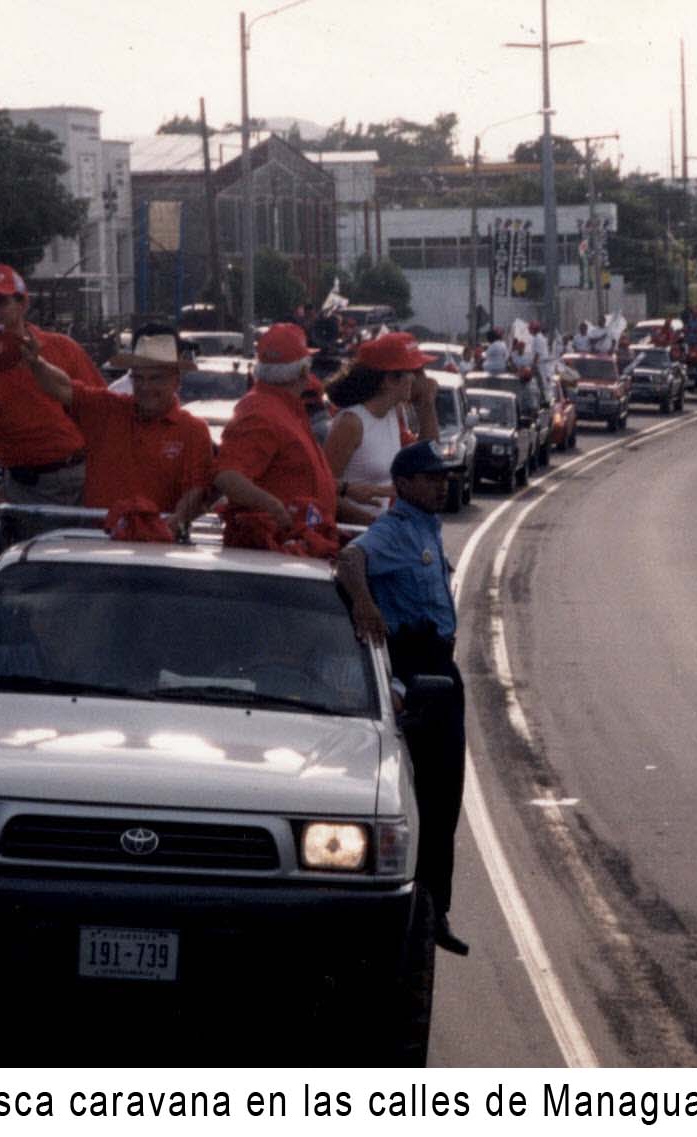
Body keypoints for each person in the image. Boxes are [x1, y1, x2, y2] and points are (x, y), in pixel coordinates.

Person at [335, 440, 469, 956]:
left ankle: (437, 911)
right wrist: (365, 605)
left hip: (441, 665)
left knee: (446, 797)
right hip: (412, 667)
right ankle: (414, 914)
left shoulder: (428, 528)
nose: (441, 485)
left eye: (443, 477)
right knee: (420, 796)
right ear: (404, 484)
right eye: (431, 478)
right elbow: (351, 559)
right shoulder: (394, 530)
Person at [0, 263, 105, 509]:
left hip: (84, 478)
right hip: (25, 488)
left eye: (0, 301)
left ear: (22, 304)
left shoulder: (62, 348)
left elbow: (102, 410)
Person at [213, 323, 372, 554]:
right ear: (303, 371)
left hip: (300, 547)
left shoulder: (281, 408)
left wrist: (344, 490)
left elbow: (292, 473)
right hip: (278, 554)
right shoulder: (261, 412)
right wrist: (275, 508)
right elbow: (228, 476)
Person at [26, 331, 213, 526]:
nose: (145, 387)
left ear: (176, 382)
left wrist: (176, 521)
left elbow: (195, 490)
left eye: (155, 379)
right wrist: (36, 362)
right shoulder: (108, 408)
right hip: (95, 537)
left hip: (158, 539)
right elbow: (62, 388)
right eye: (138, 378)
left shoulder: (193, 430)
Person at [323, 333, 439, 519]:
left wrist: (427, 404)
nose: (424, 380)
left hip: (380, 528)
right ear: (389, 380)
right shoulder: (351, 422)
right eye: (416, 372)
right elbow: (323, 490)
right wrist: (376, 524)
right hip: (354, 531)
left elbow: (428, 460)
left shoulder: (393, 413)